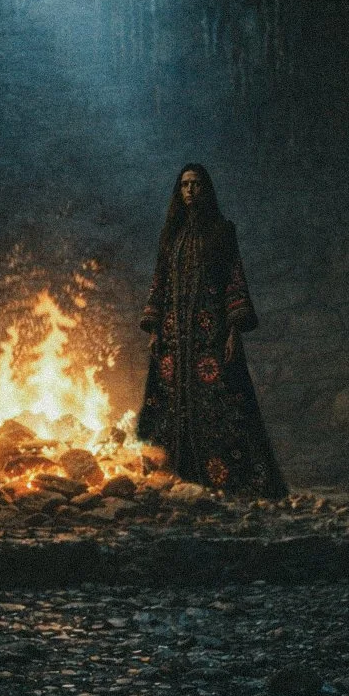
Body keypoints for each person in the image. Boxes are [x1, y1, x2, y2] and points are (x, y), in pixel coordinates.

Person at [136, 164, 288, 498]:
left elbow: (234, 278)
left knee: (222, 402)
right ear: (179, 191)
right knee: (170, 403)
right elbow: (160, 282)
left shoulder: (222, 231)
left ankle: (227, 478)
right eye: (185, 185)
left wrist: (234, 329)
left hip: (210, 335)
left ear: (206, 189)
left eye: (196, 184)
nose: (190, 190)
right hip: (175, 336)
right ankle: (176, 473)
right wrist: (154, 327)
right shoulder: (171, 234)